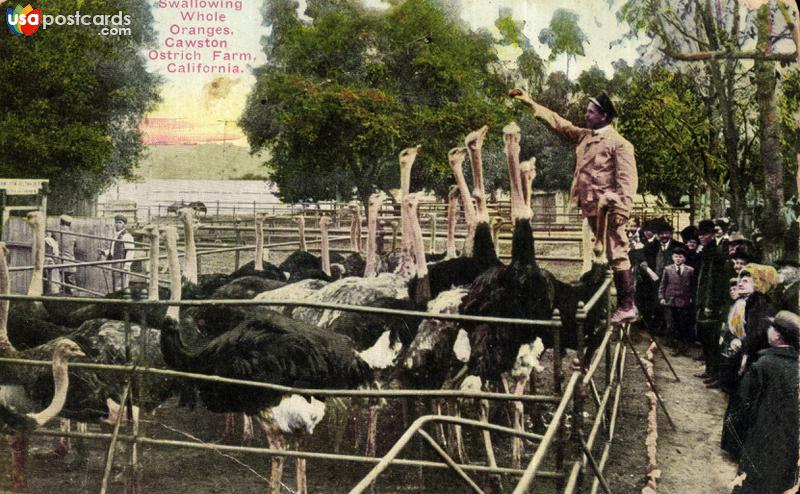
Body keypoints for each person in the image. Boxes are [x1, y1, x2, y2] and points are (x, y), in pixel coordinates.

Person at [510, 88, 638, 323]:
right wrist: (530, 102)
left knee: (617, 252)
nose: (586, 114)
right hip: (589, 204)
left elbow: (627, 180)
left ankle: (627, 305)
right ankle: (614, 301)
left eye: (591, 111)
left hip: (607, 208)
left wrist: (622, 208)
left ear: (604, 116)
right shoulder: (585, 136)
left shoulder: (619, 144)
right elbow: (560, 123)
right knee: (606, 253)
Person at [731, 311, 799, 494]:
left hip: (759, 442)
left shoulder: (762, 366)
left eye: (771, 327)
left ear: (777, 335)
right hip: (789, 449)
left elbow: (741, 407)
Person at [694, 219, 731, 383]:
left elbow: (713, 282)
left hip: (712, 304)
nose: (702, 237)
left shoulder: (716, 253)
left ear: (712, 235)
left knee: (712, 339)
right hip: (703, 300)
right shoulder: (706, 251)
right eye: (700, 235)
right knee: (705, 338)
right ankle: (709, 370)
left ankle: (714, 373)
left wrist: (709, 304)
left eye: (705, 234)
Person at [658, 247, 694, 355]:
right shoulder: (667, 269)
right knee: (672, 325)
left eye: (680, 257)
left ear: (684, 258)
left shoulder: (690, 270)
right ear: (672, 258)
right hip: (671, 301)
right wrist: (661, 297)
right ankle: (675, 347)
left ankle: (683, 347)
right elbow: (663, 284)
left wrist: (692, 298)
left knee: (683, 325)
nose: (678, 259)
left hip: (684, 301)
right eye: (676, 256)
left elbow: (693, 286)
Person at [99, 214, 135, 291]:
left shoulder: (127, 236)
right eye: (116, 222)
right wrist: (105, 252)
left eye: (120, 222)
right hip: (115, 262)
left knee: (122, 283)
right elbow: (114, 249)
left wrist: (127, 265)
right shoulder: (116, 235)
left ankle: (122, 300)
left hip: (122, 263)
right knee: (115, 282)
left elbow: (130, 251)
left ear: (124, 224)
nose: (117, 224)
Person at [58, 214, 78, 294]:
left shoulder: (57, 234)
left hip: (60, 263)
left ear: (61, 222)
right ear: (69, 224)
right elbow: (75, 247)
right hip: (70, 262)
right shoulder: (73, 235)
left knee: (62, 285)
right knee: (71, 285)